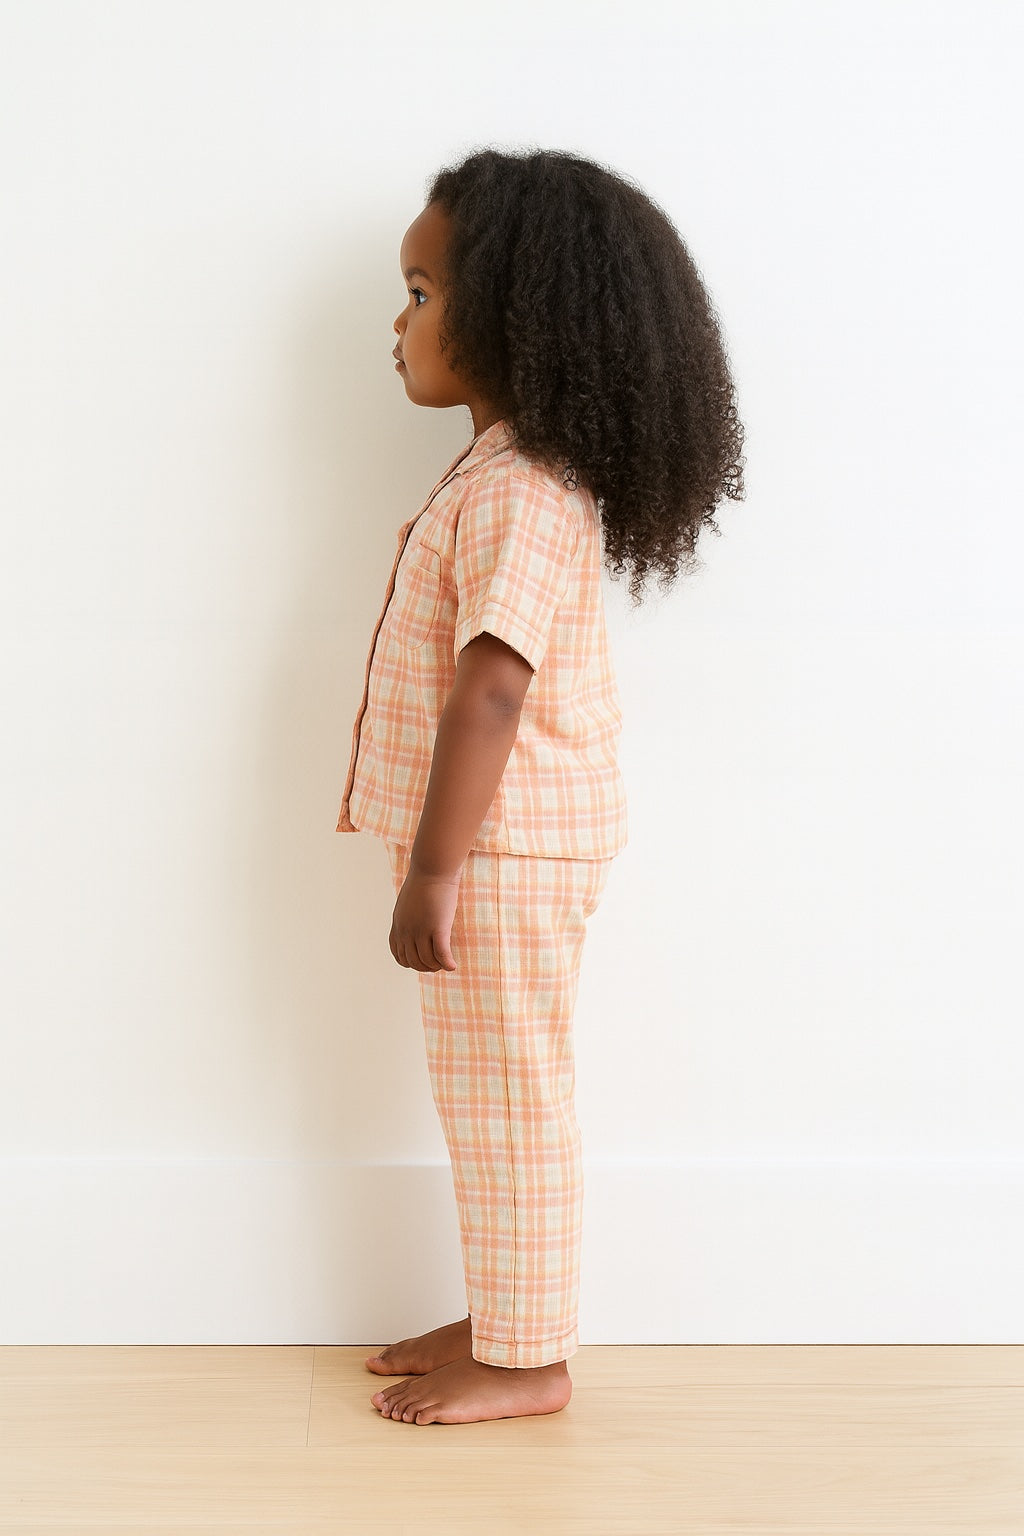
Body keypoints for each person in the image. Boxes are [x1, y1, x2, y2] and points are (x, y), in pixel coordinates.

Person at [335, 147, 745, 1426]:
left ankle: (529, 1361)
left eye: (420, 290)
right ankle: (506, 1312)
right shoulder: (502, 475)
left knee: (510, 1097)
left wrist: (434, 867)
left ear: (516, 311)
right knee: (487, 1094)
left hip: (505, 854)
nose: (398, 322)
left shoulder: (523, 491)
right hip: (506, 849)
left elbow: (493, 690)